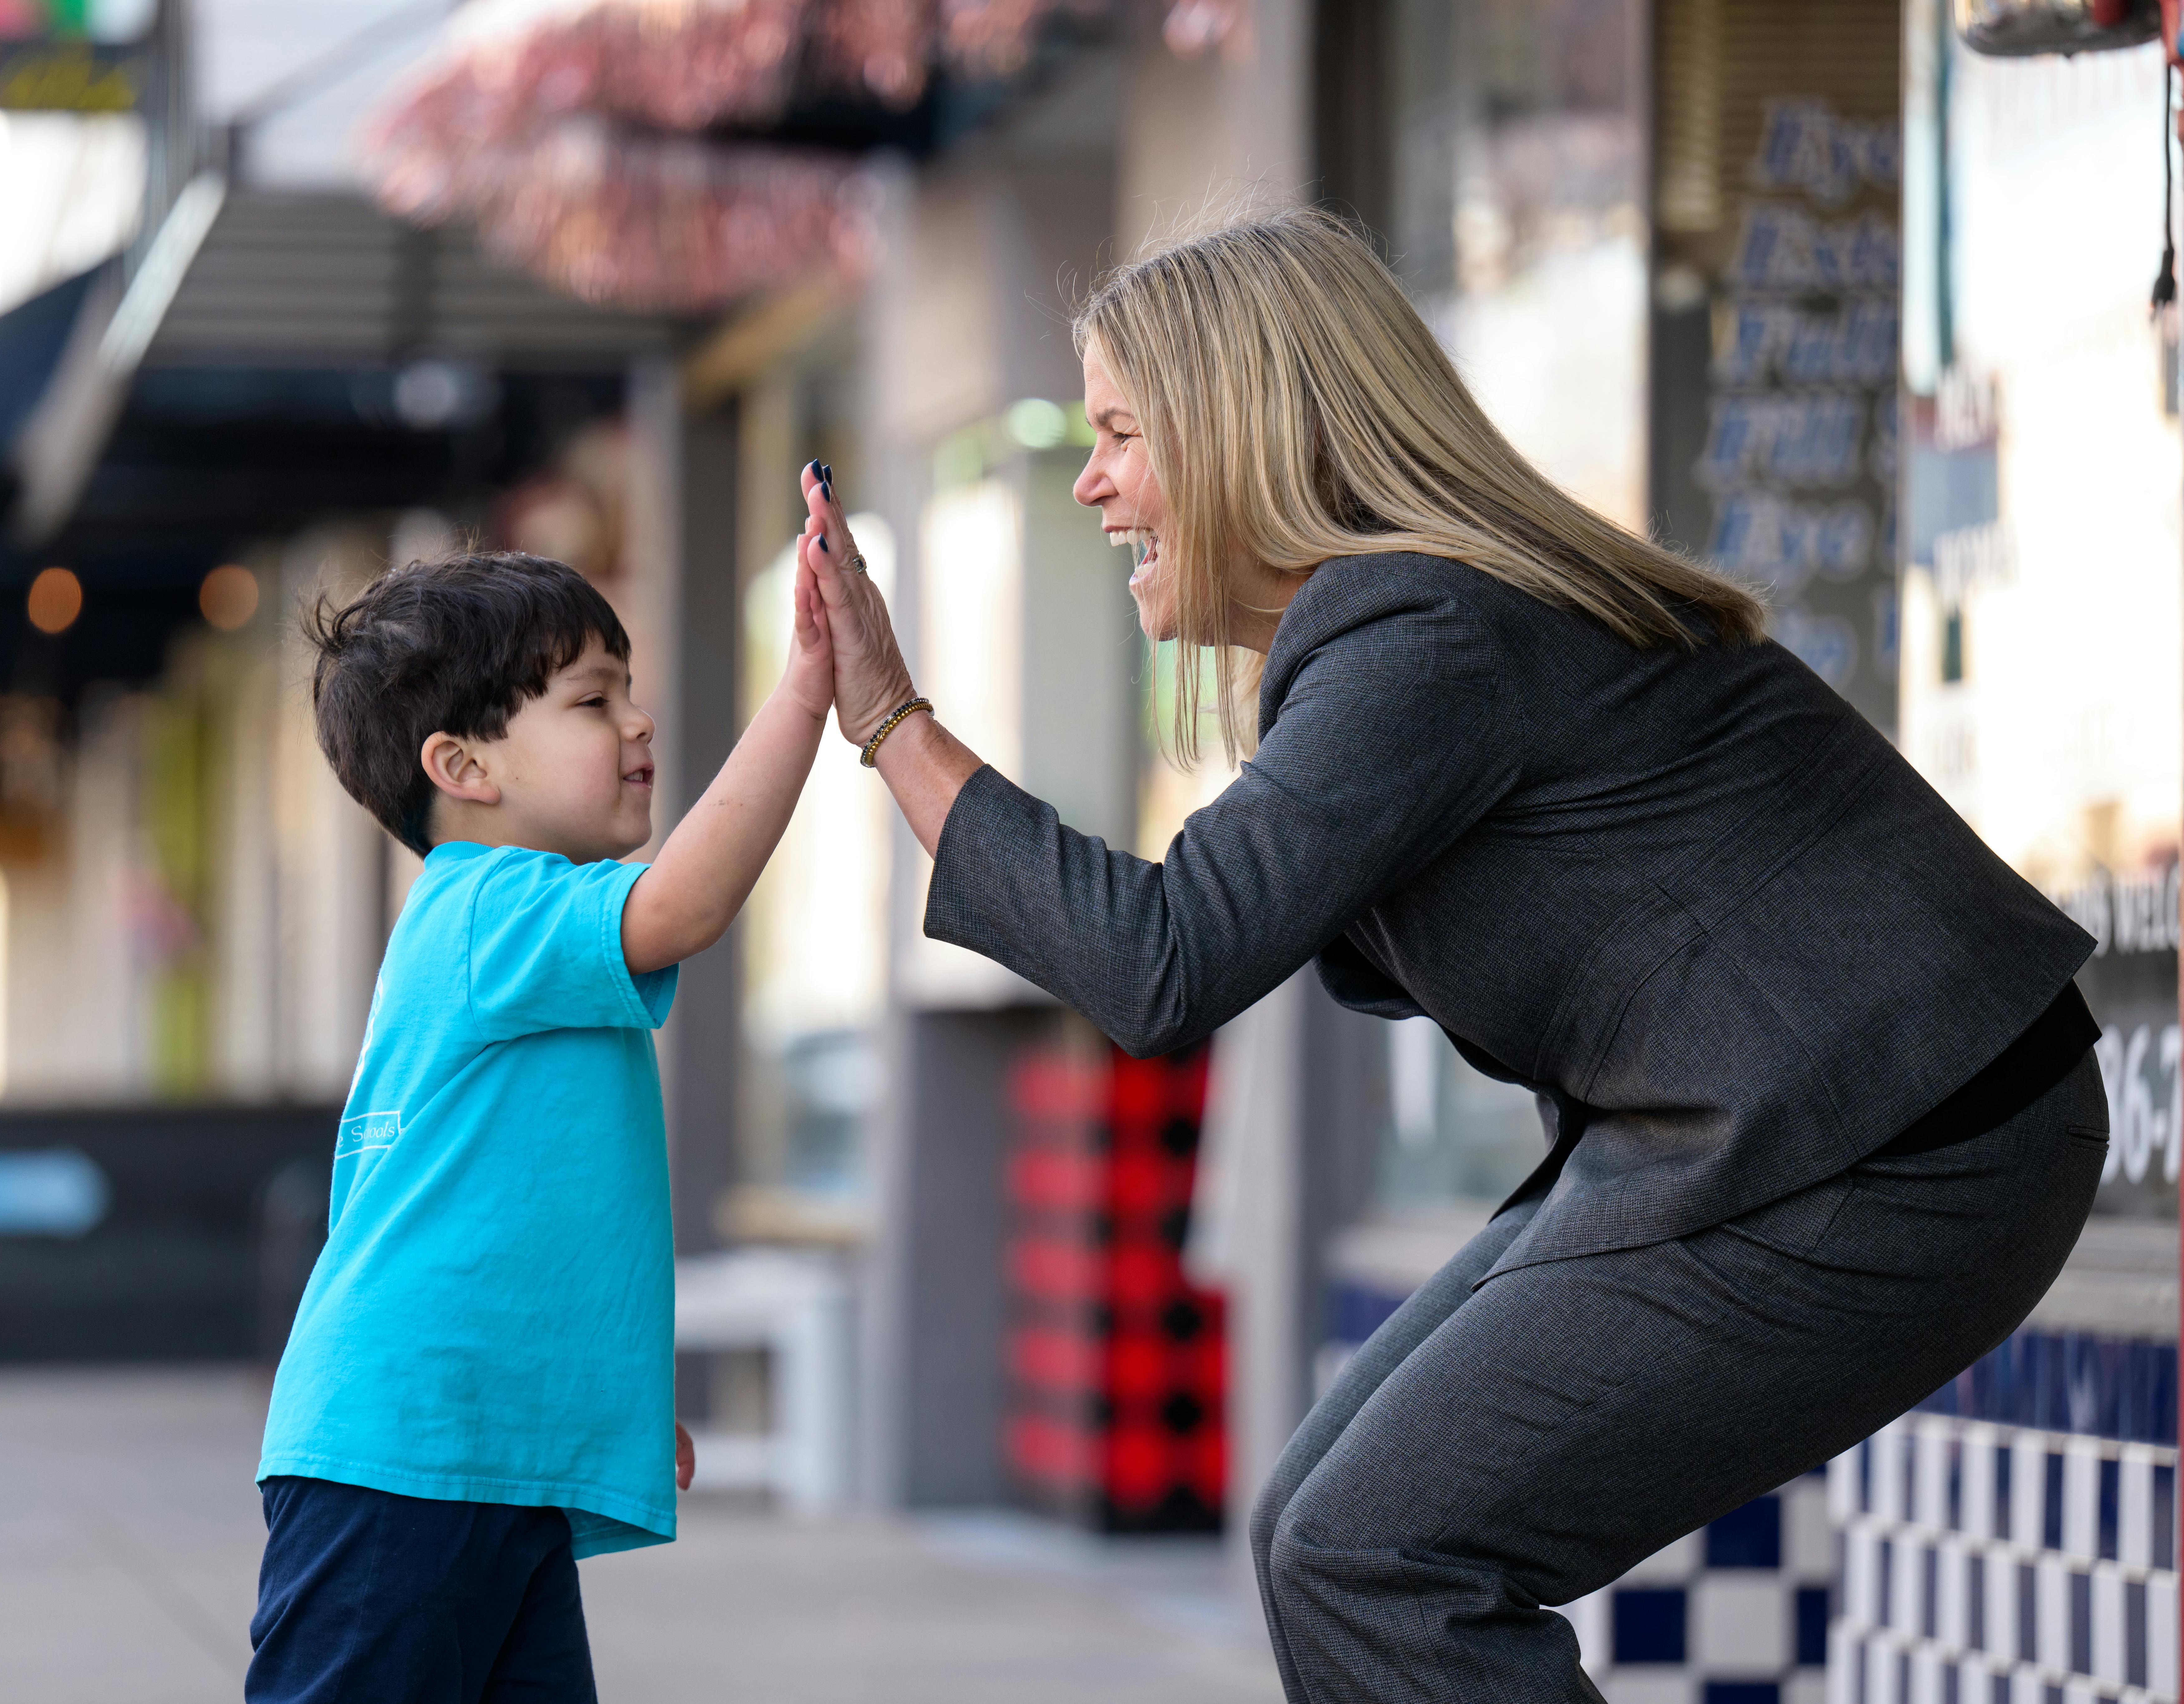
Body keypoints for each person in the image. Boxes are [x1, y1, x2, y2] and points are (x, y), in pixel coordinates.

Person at [793, 206, 2108, 1702]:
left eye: (1120, 434)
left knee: (1377, 1555)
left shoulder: (1417, 630)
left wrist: (890, 717)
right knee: (1316, 1528)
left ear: (1241, 433)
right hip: (1786, 1132)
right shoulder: (1400, 633)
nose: (1092, 484)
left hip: (1905, 1139)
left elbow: (1158, 959)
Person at [248, 549, 835, 1703]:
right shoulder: (486, 907)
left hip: (481, 1463)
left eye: (628, 689)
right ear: (462, 766)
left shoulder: (526, 935)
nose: (638, 720)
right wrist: (807, 689)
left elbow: (522, 1205)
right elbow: (688, 901)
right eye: (592, 699)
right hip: (403, 1462)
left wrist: (597, 1385)